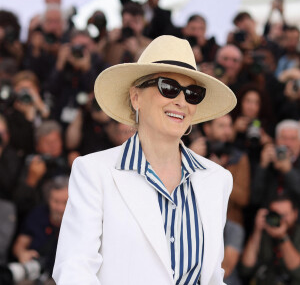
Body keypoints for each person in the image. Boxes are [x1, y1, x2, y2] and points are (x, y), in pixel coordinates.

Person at [53, 35, 236, 284]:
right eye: (168, 87)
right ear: (136, 97)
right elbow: (74, 268)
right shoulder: (94, 171)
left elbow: (213, 276)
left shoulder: (217, 179)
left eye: (193, 93)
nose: (181, 100)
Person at [13, 175, 69, 284]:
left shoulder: (80, 221)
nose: (60, 208)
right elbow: (19, 245)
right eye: (56, 201)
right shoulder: (37, 215)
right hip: (35, 273)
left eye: (65, 202)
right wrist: (22, 253)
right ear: (48, 199)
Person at [240, 194, 300, 285]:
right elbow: (245, 269)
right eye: (276, 214)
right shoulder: (265, 230)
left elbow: (298, 272)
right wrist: (257, 230)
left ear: (295, 213)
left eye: (284, 215)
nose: (280, 219)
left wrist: (283, 237)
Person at [252, 120, 300, 209]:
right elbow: (255, 198)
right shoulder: (269, 162)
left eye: (293, 139)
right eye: (284, 138)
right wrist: (263, 166)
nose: (288, 143)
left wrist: (288, 171)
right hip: (269, 214)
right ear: (277, 141)